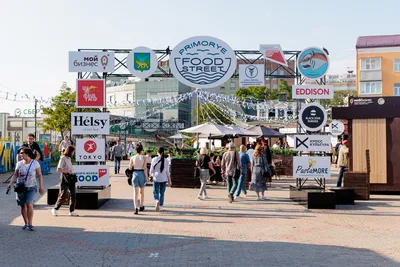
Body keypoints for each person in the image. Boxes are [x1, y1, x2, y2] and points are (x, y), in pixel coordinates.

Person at [7, 147, 44, 231]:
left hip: (31, 187)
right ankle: (26, 223)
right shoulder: (19, 164)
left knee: (29, 204)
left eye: (22, 153)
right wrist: (10, 184)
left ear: (27, 154)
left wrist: (41, 187)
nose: (20, 154)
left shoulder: (35, 163)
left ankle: (30, 224)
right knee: (23, 205)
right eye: (20, 153)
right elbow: (15, 175)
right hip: (20, 187)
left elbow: (40, 175)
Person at [51, 146, 78, 217]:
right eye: (73, 151)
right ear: (70, 151)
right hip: (65, 178)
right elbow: (58, 169)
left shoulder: (69, 159)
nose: (73, 153)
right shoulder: (63, 158)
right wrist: (67, 171)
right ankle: (55, 209)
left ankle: (72, 211)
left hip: (71, 178)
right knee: (63, 194)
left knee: (73, 195)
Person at [150, 147, 172, 212]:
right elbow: (168, 171)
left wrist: (150, 176)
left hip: (156, 177)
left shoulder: (154, 159)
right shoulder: (167, 160)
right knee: (162, 192)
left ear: (157, 152)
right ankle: (161, 206)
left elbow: (151, 170)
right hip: (164, 178)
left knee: (155, 191)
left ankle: (157, 200)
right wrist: (169, 180)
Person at [129, 143, 148, 214]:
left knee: (135, 193)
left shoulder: (132, 157)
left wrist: (134, 165)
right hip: (141, 174)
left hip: (134, 174)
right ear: (141, 150)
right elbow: (145, 168)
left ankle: (136, 207)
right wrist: (147, 177)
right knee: (142, 192)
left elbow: (130, 168)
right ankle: (141, 205)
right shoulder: (144, 157)